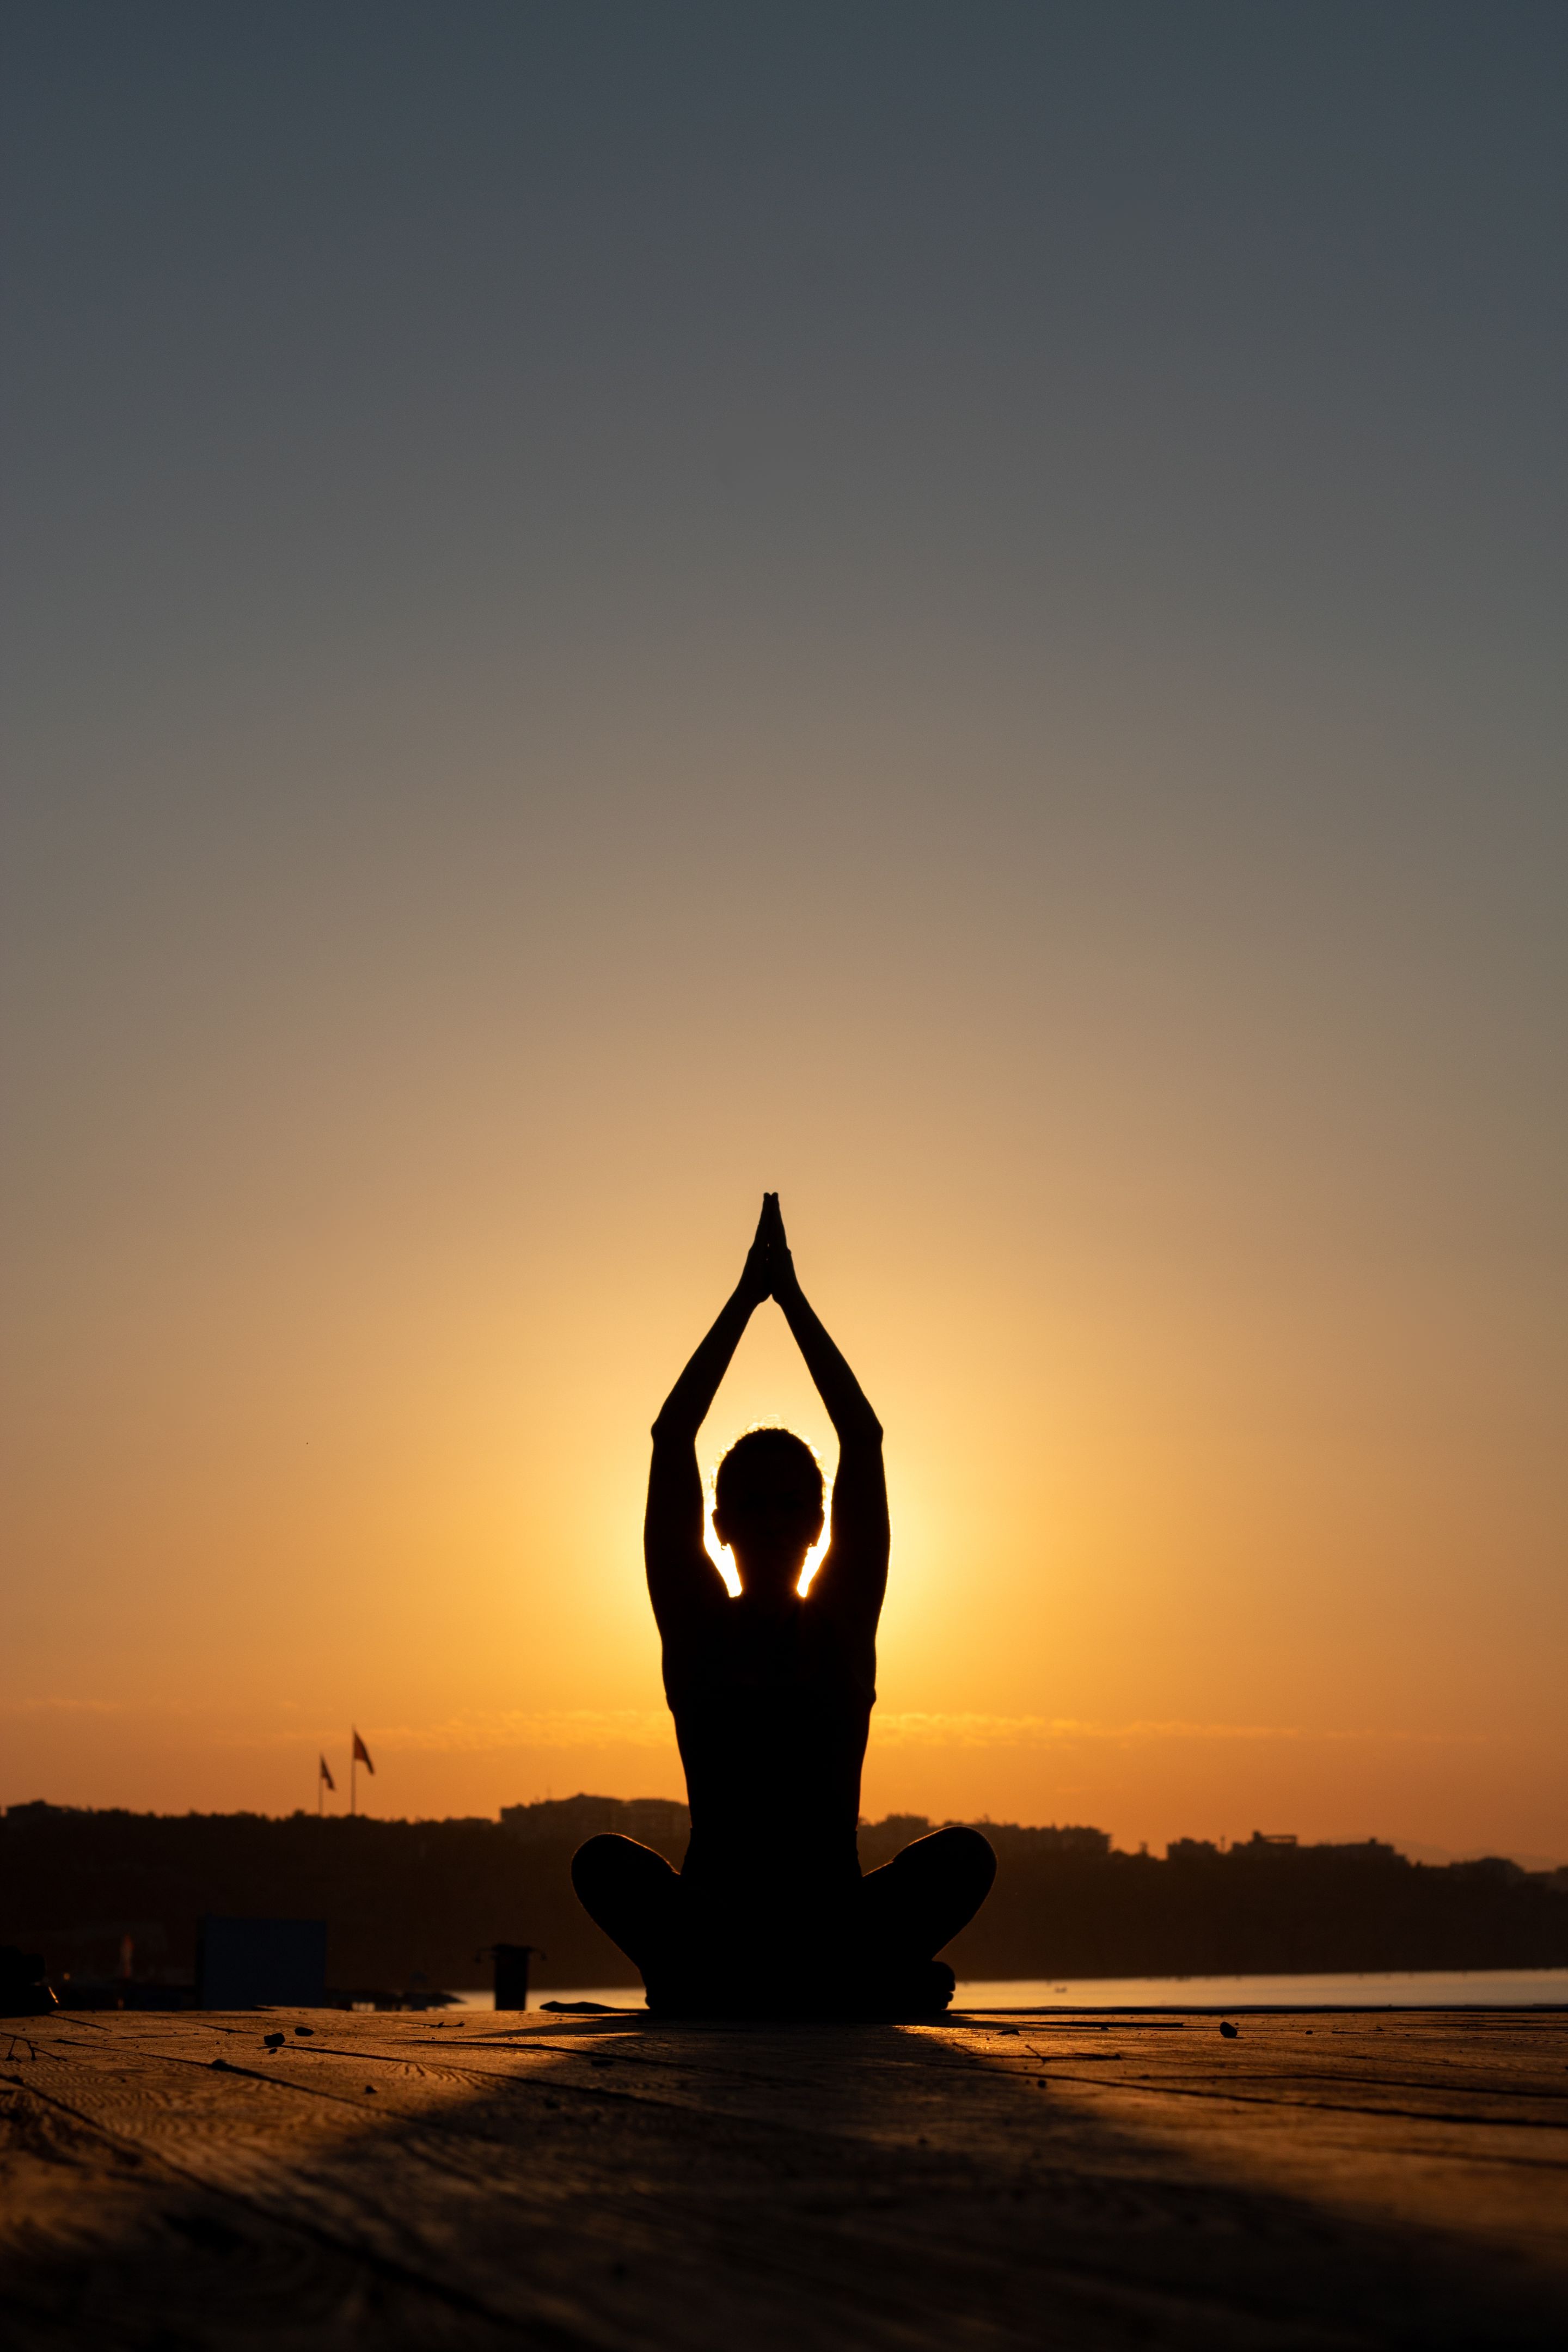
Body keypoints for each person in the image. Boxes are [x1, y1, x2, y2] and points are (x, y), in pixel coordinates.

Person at [572, 1195, 995, 2017]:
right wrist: (744, 1301)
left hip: (830, 1923)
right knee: (601, 1861)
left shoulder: (840, 1627)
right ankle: (830, 1985)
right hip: (717, 1925)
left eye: (790, 1506)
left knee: (966, 1857)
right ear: (720, 1524)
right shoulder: (698, 1627)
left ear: (817, 1525)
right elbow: (670, 1439)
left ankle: (784, 1982)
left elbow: (863, 1439)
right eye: (752, 1506)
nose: (770, 1522)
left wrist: (793, 1301)